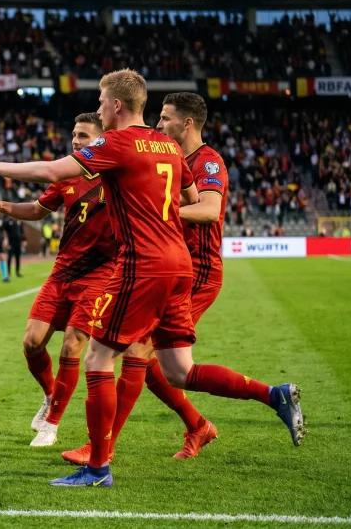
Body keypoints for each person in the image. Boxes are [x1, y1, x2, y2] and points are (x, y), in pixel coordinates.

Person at [0, 69, 304, 488]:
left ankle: (97, 467)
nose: (101, 109)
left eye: (103, 101)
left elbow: (55, 171)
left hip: (142, 265)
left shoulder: (117, 142)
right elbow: (191, 199)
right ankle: (273, 394)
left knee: (97, 358)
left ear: (117, 106)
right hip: (180, 265)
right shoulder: (166, 145)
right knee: (178, 370)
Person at [62, 93, 227, 464]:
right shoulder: (165, 152)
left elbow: (210, 209)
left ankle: (100, 451)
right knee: (164, 368)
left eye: (166, 118)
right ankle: (199, 423)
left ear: (186, 123)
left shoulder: (207, 161)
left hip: (193, 268)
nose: (157, 124)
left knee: (132, 355)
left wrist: (155, 211)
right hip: (167, 263)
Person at [0, 112, 114, 447]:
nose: (75, 141)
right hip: (62, 272)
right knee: (31, 341)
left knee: (72, 344)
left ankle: (52, 424)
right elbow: (39, 210)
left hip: (99, 274)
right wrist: (4, 206)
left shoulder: (117, 177)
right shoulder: (69, 177)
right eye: (74, 134)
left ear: (100, 140)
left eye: (83, 136)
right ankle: (50, 394)